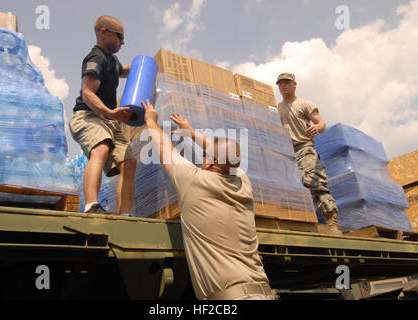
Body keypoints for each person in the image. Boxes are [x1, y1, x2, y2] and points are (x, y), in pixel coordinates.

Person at [141, 100, 276, 300]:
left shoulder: (194, 180)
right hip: (263, 293)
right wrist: (192, 132)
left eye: (205, 155)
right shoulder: (243, 184)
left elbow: (163, 146)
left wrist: (150, 121)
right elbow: (228, 157)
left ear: (211, 161)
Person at [70, 15, 137, 215]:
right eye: (120, 36)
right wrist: (111, 113)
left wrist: (145, 67)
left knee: (129, 162)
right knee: (100, 148)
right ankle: (92, 206)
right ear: (103, 32)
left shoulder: (112, 60)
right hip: (89, 115)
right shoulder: (96, 58)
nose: (123, 41)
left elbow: (123, 71)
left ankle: (124, 215)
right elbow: (87, 93)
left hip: (109, 121)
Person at [276, 72, 341, 233]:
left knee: (315, 182)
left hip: (303, 148)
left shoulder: (304, 104)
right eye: (280, 83)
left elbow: (322, 123)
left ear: (294, 84)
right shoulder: (276, 108)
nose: (283, 85)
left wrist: (316, 127)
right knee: (286, 188)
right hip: (285, 153)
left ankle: (332, 221)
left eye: (287, 83)